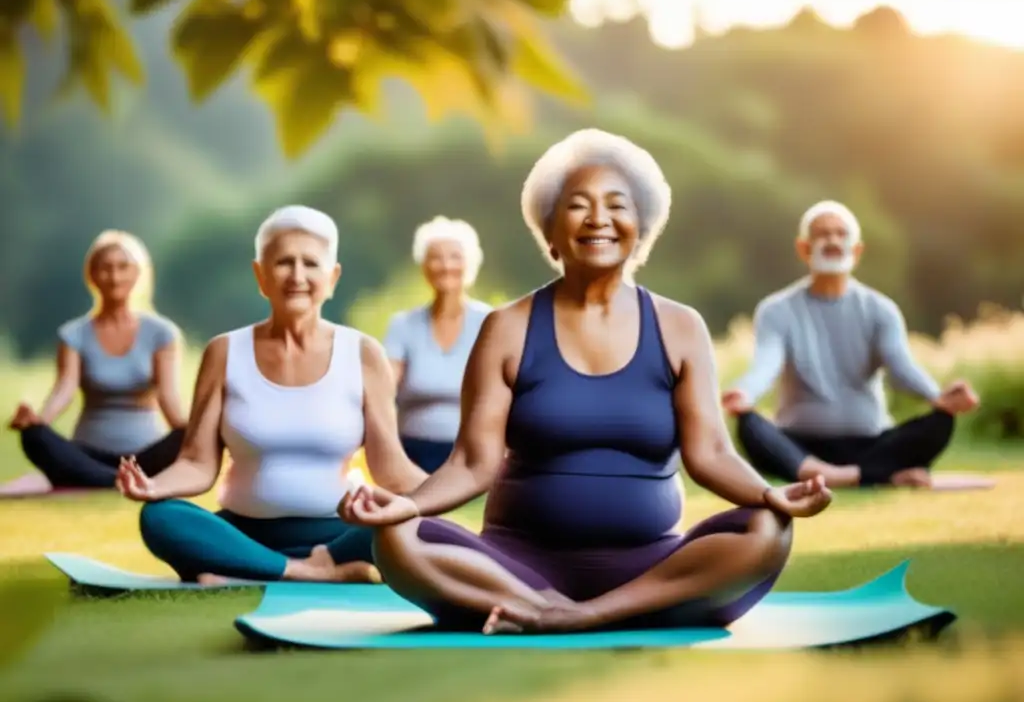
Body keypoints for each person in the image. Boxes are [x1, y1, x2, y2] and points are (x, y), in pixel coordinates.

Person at [339, 129, 832, 634]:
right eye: (578, 205)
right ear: (550, 234)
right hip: (516, 568)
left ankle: (582, 615)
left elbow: (710, 453)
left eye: (616, 205)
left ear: (641, 229)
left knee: (768, 529)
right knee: (396, 538)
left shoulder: (680, 327)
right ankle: (542, 604)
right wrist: (408, 503)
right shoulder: (507, 327)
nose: (598, 218)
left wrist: (769, 494)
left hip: (649, 565)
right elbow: (471, 462)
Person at [115, 206, 428, 584]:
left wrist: (448, 490)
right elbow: (198, 462)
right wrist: (153, 486)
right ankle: (300, 572)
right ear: (260, 275)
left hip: (339, 534)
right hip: (242, 533)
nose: (297, 276)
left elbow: (390, 468)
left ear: (332, 278)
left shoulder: (363, 353)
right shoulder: (224, 352)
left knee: (412, 521)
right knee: (160, 517)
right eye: (283, 263)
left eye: (310, 264)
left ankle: (244, 571)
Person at [722, 200, 980, 489]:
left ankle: (837, 477)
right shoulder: (776, 309)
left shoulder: (881, 309)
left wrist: (937, 396)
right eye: (822, 234)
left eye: (841, 234)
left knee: (941, 422)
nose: (832, 240)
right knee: (748, 424)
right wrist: (743, 393)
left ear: (856, 251)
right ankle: (876, 476)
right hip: (801, 448)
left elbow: (901, 366)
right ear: (804, 248)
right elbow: (766, 365)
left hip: (870, 444)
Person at [3, 231, 187, 494]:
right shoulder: (73, 333)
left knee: (191, 434)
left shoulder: (162, 333)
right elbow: (64, 388)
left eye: (123, 267)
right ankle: (114, 481)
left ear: (138, 273)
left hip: (146, 458)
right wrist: (38, 421)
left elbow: (169, 398)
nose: (114, 277)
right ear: (92, 275)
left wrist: (192, 431)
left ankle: (112, 480)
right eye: (105, 268)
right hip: (86, 456)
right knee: (34, 436)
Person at [384, 216, 492, 473]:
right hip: (411, 452)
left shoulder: (490, 321)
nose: (445, 266)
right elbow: (384, 390)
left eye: (454, 257)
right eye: (436, 257)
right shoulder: (403, 325)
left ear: (470, 264)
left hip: (472, 455)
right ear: (424, 267)